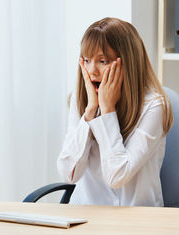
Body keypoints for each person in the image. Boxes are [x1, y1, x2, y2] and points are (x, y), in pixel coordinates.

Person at [57, 17, 173, 207]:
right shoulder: (81, 101)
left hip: (134, 221)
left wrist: (108, 111)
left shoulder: (154, 106)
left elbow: (117, 176)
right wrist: (90, 113)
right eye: (87, 60)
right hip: (86, 217)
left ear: (128, 62)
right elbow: (69, 173)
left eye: (102, 61)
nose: (92, 71)